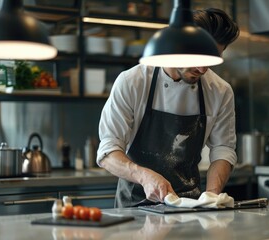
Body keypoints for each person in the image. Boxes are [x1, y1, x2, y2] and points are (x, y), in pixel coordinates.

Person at [97, 8, 240, 208]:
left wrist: (212, 197)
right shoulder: (132, 82)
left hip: (190, 208)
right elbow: (108, 152)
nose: (203, 69)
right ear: (179, 45)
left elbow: (223, 148)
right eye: (198, 59)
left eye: (211, 59)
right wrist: (144, 176)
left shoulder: (220, 91)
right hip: (133, 208)